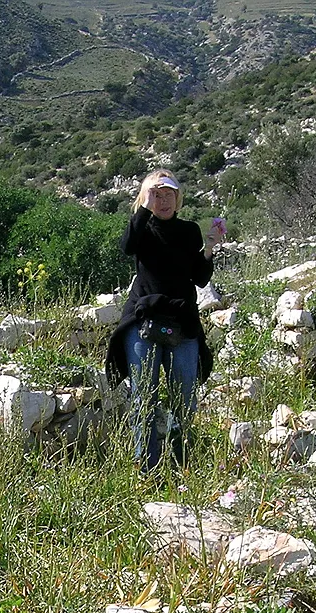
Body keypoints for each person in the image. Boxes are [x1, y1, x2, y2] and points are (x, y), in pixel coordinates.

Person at [105, 169, 224, 472]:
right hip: (144, 319)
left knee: (184, 393)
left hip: (182, 320)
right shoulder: (141, 228)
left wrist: (209, 247)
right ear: (146, 198)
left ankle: (180, 460)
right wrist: (144, 206)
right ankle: (146, 468)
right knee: (144, 393)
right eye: (157, 194)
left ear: (178, 197)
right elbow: (127, 246)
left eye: (169, 193)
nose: (163, 200)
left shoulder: (189, 230)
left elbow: (199, 277)